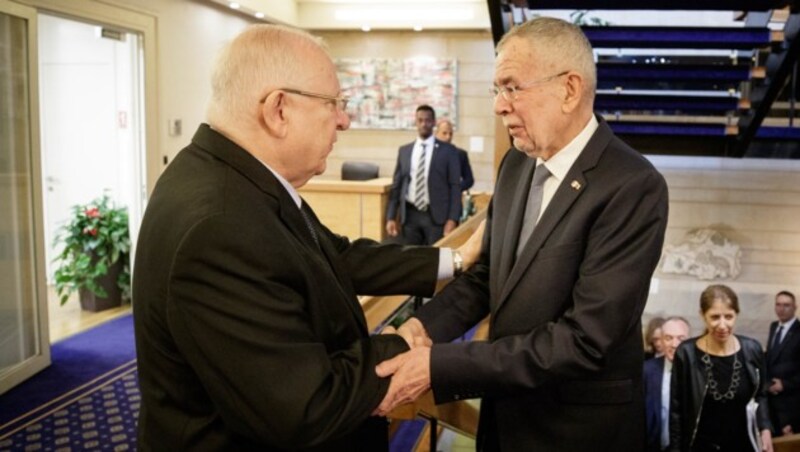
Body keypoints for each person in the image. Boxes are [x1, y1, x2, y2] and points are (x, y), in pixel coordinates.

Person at [132, 24, 482, 451]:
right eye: (334, 103)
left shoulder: (237, 179)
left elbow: (333, 255)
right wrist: (398, 345)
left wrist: (459, 259)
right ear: (279, 109)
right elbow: (303, 405)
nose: (345, 120)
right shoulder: (220, 225)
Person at [374, 17, 669, 451]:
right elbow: (487, 277)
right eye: (497, 90)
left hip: (576, 431)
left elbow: (585, 340)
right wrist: (421, 327)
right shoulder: (516, 163)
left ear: (569, 89)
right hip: (503, 418)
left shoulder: (633, 186)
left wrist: (439, 366)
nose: (499, 105)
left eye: (511, 87)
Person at [669, 285, 773, 452]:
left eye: (729, 316)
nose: (722, 325)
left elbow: (761, 395)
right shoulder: (686, 352)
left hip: (743, 444)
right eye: (715, 317)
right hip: (701, 445)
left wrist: (765, 427)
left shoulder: (752, 349)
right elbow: (676, 410)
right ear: (703, 316)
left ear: (736, 315)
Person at [385, 105, 462, 245]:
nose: (423, 124)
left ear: (433, 122)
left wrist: (453, 219)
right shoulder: (405, 151)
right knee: (411, 260)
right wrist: (390, 217)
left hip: (436, 217)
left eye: (427, 120)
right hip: (409, 217)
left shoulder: (449, 151)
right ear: (415, 122)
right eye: (420, 120)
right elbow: (396, 186)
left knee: (434, 260)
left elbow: (455, 187)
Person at [644, 316, 691, 452]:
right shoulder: (646, 371)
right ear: (661, 341)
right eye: (668, 338)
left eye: (681, 338)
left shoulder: (700, 372)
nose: (674, 344)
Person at [765, 290, 800, 437]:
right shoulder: (774, 326)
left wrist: (785, 384)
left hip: (792, 404)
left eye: (786, 305)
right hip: (772, 402)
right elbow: (771, 360)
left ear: (795, 307)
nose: (781, 309)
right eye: (778, 304)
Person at [435, 118, 475, 192]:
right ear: (436, 134)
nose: (448, 137)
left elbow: (469, 180)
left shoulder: (460, 154)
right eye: (444, 133)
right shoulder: (429, 153)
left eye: (450, 134)